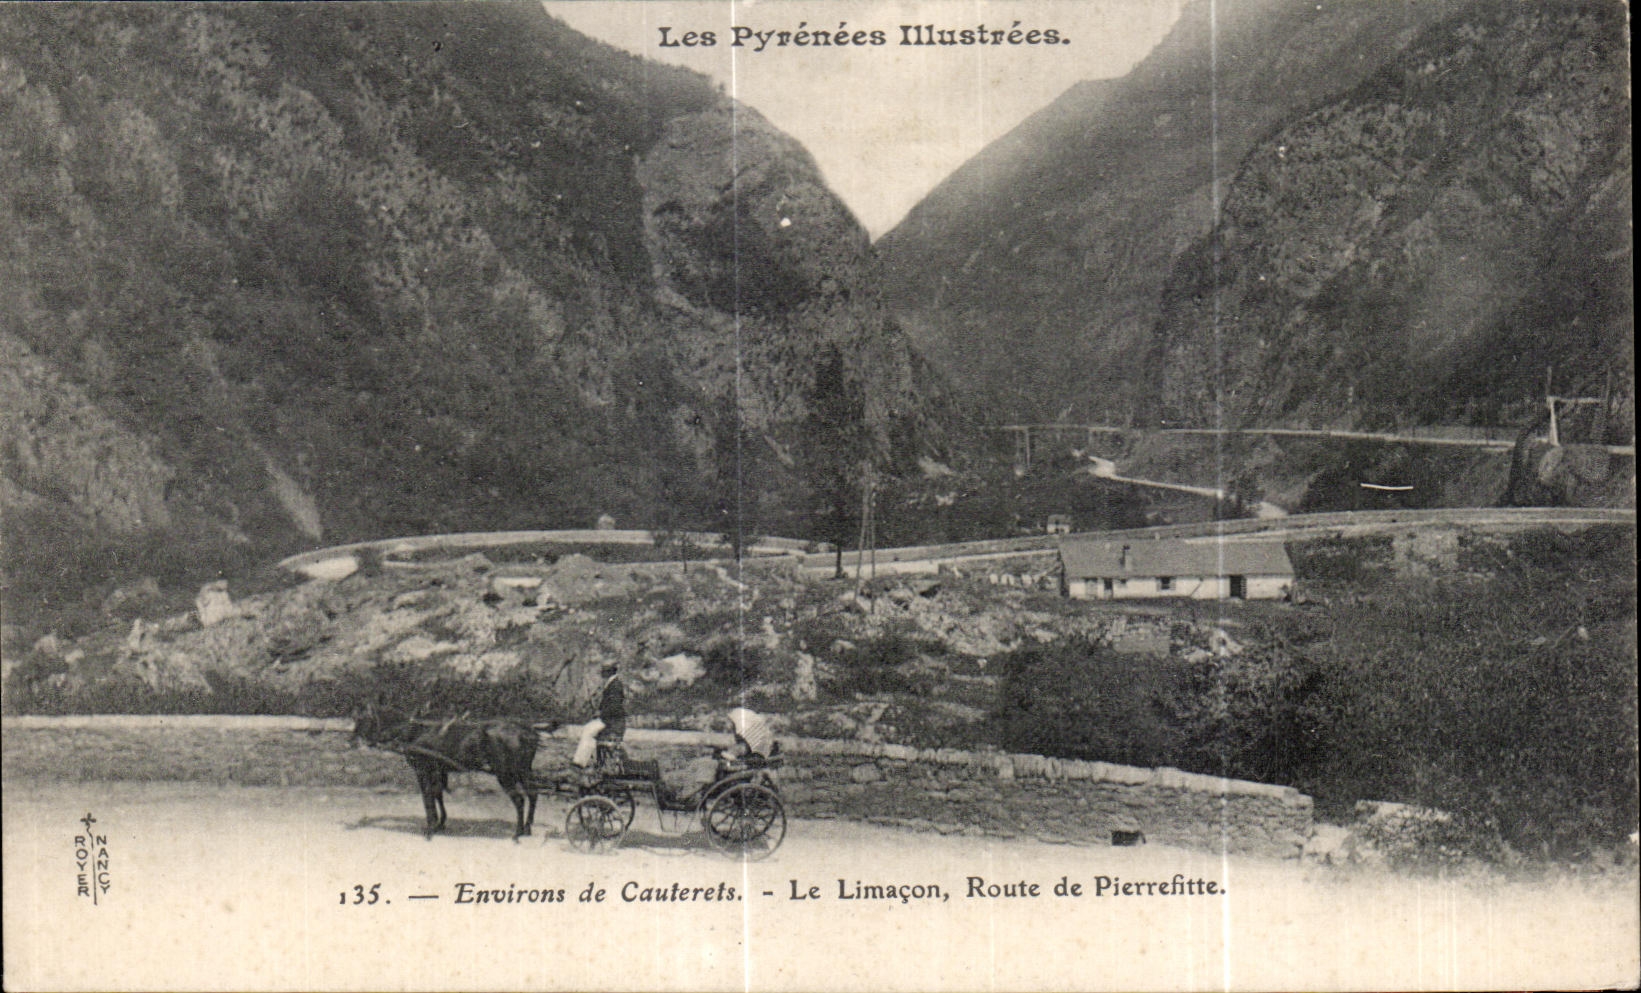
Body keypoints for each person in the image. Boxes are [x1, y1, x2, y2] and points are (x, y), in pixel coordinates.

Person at [594, 660, 626, 768]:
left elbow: (614, 706)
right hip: (612, 722)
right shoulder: (611, 684)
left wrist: (601, 713)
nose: (601, 673)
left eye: (603, 671)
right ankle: (602, 766)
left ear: (609, 672)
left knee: (605, 745)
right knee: (600, 743)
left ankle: (603, 767)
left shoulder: (615, 685)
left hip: (614, 724)